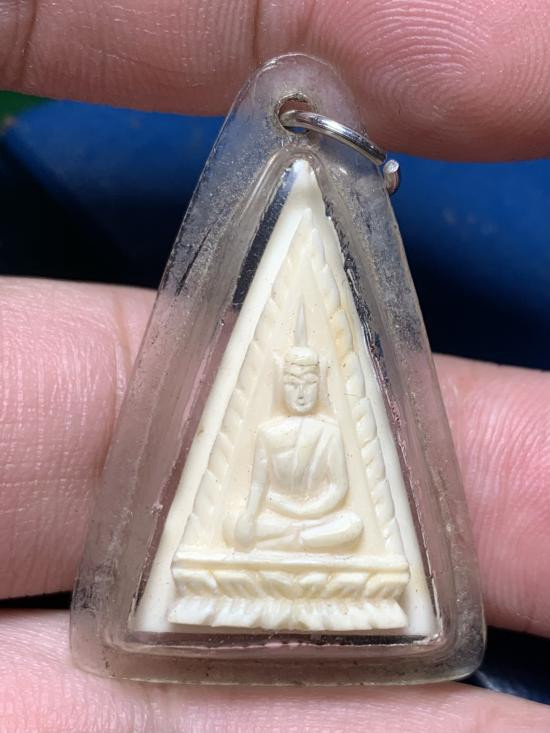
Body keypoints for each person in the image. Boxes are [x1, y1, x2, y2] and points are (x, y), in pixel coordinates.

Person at [0, 1, 548, 730]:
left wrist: (309, 529)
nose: (298, 386)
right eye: (291, 378)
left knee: (349, 543)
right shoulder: (274, 433)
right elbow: (254, 505)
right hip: (263, 550)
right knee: (226, 543)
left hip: (326, 546)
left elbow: (334, 505)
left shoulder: (321, 433)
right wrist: (260, 526)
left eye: (307, 379)